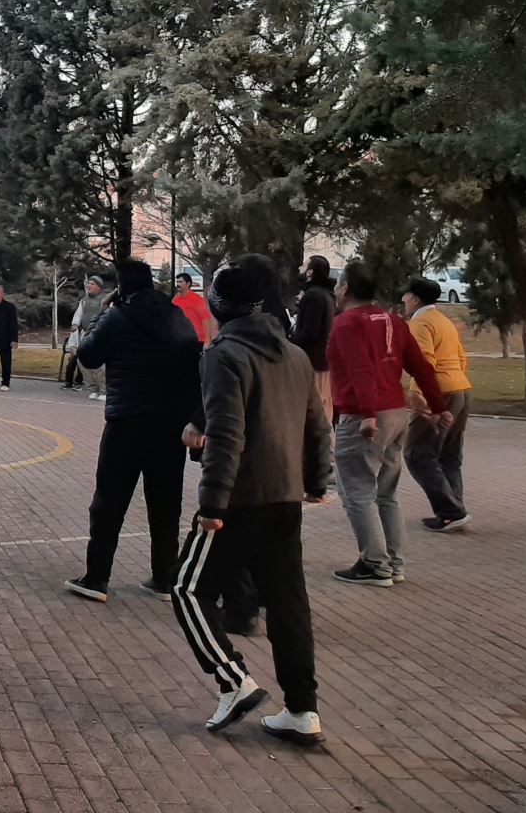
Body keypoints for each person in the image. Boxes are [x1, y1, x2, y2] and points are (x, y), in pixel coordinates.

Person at [173, 260, 332, 748]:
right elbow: (316, 424)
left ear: (221, 305)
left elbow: (227, 433)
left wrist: (211, 505)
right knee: (287, 603)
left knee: (187, 589)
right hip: (284, 495)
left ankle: (233, 680)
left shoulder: (223, 354)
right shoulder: (294, 355)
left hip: (240, 498)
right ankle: (303, 709)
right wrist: (316, 480)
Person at [65, 260, 200, 602]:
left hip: (127, 419)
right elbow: (193, 366)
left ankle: (97, 578)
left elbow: (88, 355)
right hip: (170, 423)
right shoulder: (177, 317)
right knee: (166, 502)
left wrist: (102, 313)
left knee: (109, 501)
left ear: (121, 287)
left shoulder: (116, 317)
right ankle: (164, 577)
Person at [326, 261, 449, 586]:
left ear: (345, 289)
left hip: (365, 416)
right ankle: (394, 562)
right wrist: (438, 406)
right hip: (395, 412)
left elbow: (360, 369)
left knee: (357, 493)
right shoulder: (392, 320)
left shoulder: (347, 323)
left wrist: (367, 413)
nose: (335, 290)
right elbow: (420, 366)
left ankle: (375, 564)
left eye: (338, 284)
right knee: (385, 493)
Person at [400, 277, 472, 531]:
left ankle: (451, 511)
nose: (403, 299)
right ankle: (455, 509)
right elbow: (461, 358)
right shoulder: (443, 320)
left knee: (417, 454)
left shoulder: (419, 323)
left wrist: (418, 395)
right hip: (460, 387)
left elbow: (425, 363)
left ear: (415, 299)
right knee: (449, 455)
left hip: (438, 393)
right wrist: (456, 380)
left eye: (406, 295)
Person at [291, 256, 338, 421]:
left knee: (314, 411)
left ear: (310, 272)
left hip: (312, 363)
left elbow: (309, 333)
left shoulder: (313, 296)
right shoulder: (327, 295)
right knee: (323, 407)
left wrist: (288, 341)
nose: (300, 268)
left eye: (304, 266)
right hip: (323, 362)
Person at [75, 276, 110, 400]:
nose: (88, 286)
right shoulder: (84, 300)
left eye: (92, 283)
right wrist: (75, 324)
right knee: (82, 361)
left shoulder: (105, 300)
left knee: (100, 365)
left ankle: (104, 390)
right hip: (85, 334)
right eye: (88, 283)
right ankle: (92, 388)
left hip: (99, 335)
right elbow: (78, 313)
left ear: (99, 286)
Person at [172, 273, 217, 346]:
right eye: (177, 282)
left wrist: (207, 340)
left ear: (188, 284)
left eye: (180, 282)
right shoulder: (175, 300)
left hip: (197, 339)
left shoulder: (197, 300)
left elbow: (205, 320)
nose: (178, 284)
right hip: (180, 339)